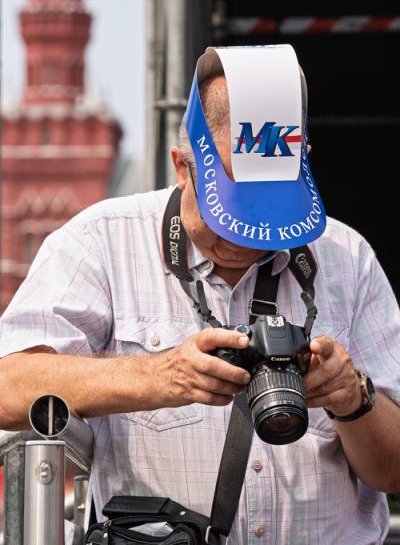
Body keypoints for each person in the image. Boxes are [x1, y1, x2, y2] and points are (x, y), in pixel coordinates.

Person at [0, 44, 399, 544]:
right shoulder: (100, 242)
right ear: (181, 166)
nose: (247, 236)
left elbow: (394, 472)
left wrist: (353, 399)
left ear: (303, 167)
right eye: (231, 210)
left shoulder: (346, 257)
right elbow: (8, 387)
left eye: (268, 212)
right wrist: (160, 375)